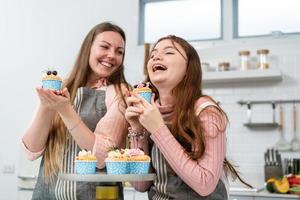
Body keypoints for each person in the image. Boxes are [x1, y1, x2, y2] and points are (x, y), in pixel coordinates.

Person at [125, 35, 251, 199]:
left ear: (188, 69)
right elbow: (140, 185)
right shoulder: (150, 112)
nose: (156, 56)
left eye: (169, 52)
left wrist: (157, 128)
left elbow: (205, 185)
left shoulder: (207, 112)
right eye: (153, 54)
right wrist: (136, 128)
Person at [22, 22, 130, 199]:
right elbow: (31, 150)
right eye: (105, 47)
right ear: (88, 48)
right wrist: (46, 106)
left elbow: (103, 156)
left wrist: (66, 110)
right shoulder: (61, 87)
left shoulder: (121, 93)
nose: (112, 55)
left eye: (119, 52)